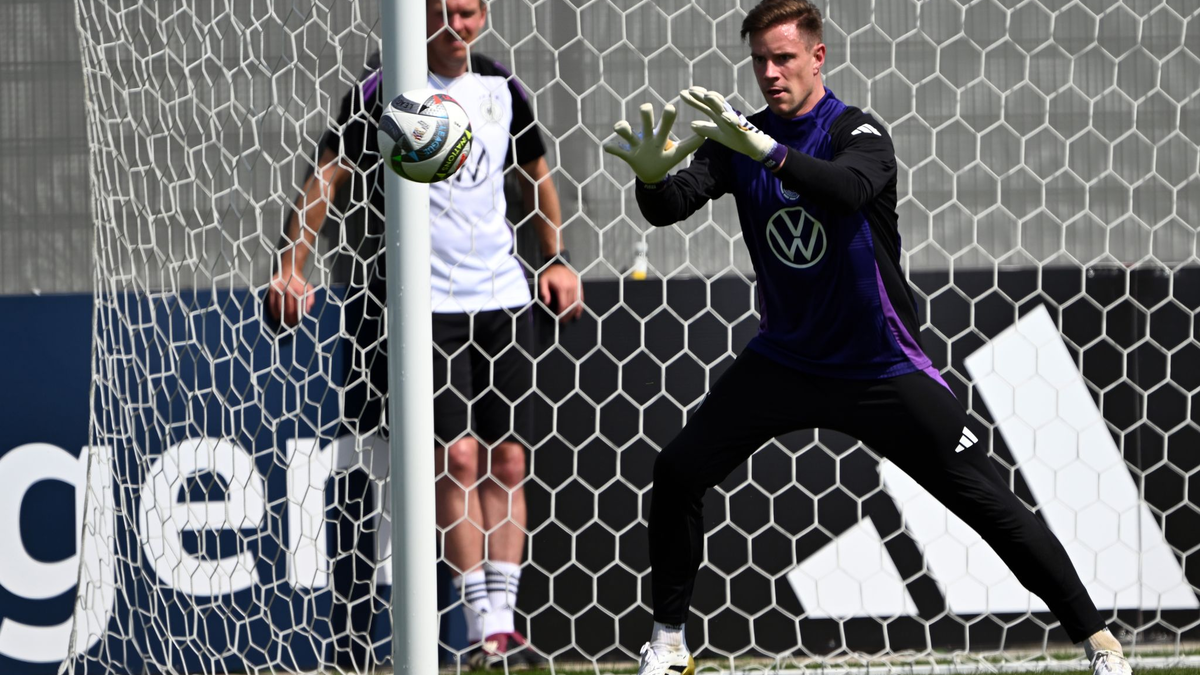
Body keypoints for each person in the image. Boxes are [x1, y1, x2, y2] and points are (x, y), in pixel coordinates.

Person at [602, 2, 1132, 675]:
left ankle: (1101, 643)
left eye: (784, 57)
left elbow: (847, 190)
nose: (770, 72)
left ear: (817, 57)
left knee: (988, 502)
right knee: (677, 471)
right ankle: (670, 641)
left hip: (880, 364)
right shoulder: (738, 138)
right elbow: (673, 205)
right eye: (759, 59)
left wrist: (762, 148)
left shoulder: (858, 131)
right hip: (787, 358)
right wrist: (651, 180)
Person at [268, 0, 583, 669]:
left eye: (466, 14)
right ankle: (479, 630)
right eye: (441, 14)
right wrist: (292, 264)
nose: (455, 27)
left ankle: (502, 627)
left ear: (483, 14)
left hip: (502, 297)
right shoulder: (387, 88)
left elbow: (537, 178)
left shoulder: (502, 88)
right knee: (458, 460)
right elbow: (328, 173)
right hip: (426, 307)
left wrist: (555, 259)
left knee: (509, 461)